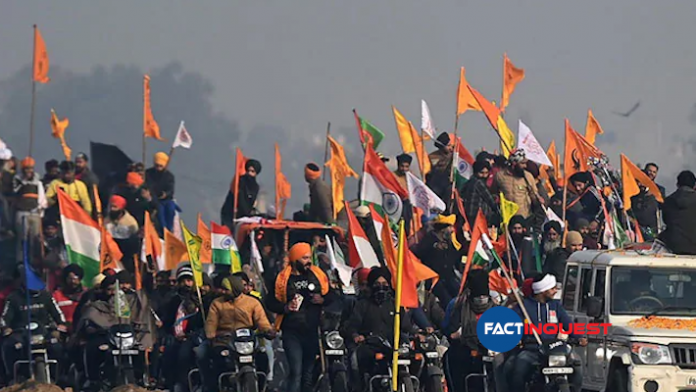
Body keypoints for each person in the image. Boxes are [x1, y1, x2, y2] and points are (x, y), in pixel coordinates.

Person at [266, 242, 334, 392]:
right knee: (296, 371)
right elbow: (270, 302)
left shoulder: (318, 275)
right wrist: (285, 307)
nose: (308, 261)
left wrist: (322, 300)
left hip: (312, 331)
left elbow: (332, 295)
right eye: (304, 258)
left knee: (308, 373)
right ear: (295, 259)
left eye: (309, 257)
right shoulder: (282, 279)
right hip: (292, 332)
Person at [507, 274, 587, 391]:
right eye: (552, 288)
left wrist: (579, 337)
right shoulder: (523, 306)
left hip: (556, 350)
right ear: (542, 290)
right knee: (518, 368)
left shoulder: (556, 305)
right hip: (532, 350)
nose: (555, 291)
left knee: (577, 364)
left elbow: (568, 324)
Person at [343, 268, 415, 391]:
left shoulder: (395, 305)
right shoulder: (362, 305)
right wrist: (356, 335)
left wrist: (418, 334)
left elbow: (407, 326)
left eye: (385, 284)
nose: (381, 287)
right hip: (370, 346)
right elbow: (351, 326)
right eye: (377, 284)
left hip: (394, 347)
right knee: (356, 360)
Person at [206, 276, 274, 391]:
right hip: (224, 340)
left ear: (235, 289)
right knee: (218, 359)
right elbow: (211, 322)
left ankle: (264, 386)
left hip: (248, 340)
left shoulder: (252, 302)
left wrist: (268, 330)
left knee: (263, 357)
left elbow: (261, 320)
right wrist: (210, 335)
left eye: (226, 289)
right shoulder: (217, 304)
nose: (223, 292)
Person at [0, 266, 66, 382]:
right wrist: (6, 328)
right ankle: (12, 376)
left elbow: (58, 314)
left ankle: (58, 376)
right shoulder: (13, 298)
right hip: (21, 333)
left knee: (57, 347)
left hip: (44, 332)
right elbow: (4, 318)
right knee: (9, 346)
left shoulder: (46, 296)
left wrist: (61, 325)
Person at [443, 269, 493, 392]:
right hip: (465, 349)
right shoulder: (458, 305)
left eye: (484, 296)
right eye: (478, 296)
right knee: (451, 358)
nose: (481, 298)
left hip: (491, 352)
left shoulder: (496, 307)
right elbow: (449, 330)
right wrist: (457, 334)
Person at [412, 214, 464, 306]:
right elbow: (418, 251)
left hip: (449, 277)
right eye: (450, 227)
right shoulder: (429, 238)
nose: (452, 230)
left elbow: (455, 257)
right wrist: (434, 246)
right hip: (434, 279)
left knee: (461, 296)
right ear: (443, 228)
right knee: (447, 301)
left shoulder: (449, 241)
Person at [12, 157, 47, 261]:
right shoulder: (17, 180)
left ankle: (32, 261)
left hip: (35, 213)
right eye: (26, 169)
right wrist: (24, 181)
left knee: (34, 240)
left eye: (31, 168)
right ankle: (21, 261)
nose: (29, 171)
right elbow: (14, 191)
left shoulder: (38, 182)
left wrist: (41, 210)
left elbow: (42, 199)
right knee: (23, 238)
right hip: (22, 213)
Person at [491, 149, 543, 219]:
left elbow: (534, 196)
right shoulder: (500, 176)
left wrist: (539, 200)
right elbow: (493, 193)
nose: (525, 166)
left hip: (524, 217)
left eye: (525, 163)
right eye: (522, 163)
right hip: (506, 218)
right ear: (514, 163)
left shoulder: (528, 177)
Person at [659, 170, 696, 255]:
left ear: (677, 184)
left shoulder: (668, 201)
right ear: (694, 186)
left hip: (674, 246)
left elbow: (666, 220)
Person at [220, 159, 261, 227]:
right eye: (248, 171)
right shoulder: (239, 182)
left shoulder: (255, 187)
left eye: (252, 171)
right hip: (230, 213)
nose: (249, 173)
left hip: (244, 216)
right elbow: (239, 198)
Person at [104, 195, 139, 271]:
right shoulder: (106, 220)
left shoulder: (130, 223)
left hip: (125, 252)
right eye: (111, 207)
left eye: (115, 207)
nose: (112, 209)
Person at [460, 159, 500, 227]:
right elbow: (489, 200)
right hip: (477, 216)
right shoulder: (478, 182)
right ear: (476, 172)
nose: (484, 175)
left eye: (486, 173)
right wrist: (497, 209)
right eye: (481, 173)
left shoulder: (469, 182)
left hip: (469, 216)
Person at [145, 152, 177, 232]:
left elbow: (171, 190)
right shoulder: (148, 174)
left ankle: (169, 229)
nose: (158, 167)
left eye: (161, 166)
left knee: (170, 209)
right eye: (157, 165)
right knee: (160, 212)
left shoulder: (169, 176)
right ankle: (163, 230)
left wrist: (165, 194)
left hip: (166, 200)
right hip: (154, 199)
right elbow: (147, 186)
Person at [53, 264, 86, 332]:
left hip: (82, 328)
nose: (73, 281)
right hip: (64, 329)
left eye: (75, 279)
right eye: (70, 278)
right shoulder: (57, 295)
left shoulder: (86, 294)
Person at [427, 132, 454, 202]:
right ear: (442, 147)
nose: (450, 148)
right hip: (437, 186)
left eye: (451, 145)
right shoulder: (433, 157)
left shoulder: (455, 156)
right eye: (448, 146)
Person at [75, 153, 99, 218]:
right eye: (76, 162)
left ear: (86, 162)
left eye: (80, 162)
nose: (77, 164)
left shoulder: (91, 178)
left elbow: (92, 196)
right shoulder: (72, 175)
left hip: (85, 209)